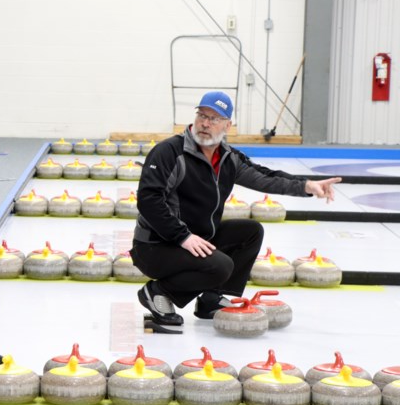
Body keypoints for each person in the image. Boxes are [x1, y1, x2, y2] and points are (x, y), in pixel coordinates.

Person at [132, 91, 342, 326]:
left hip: (195, 240)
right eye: (202, 115)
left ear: (227, 125)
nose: (205, 123)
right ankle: (159, 292)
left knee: (250, 232)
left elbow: (265, 177)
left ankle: (211, 300)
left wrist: (306, 186)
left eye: (214, 119)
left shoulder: (228, 158)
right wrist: (182, 236)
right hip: (156, 245)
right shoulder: (170, 152)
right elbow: (149, 199)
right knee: (221, 266)